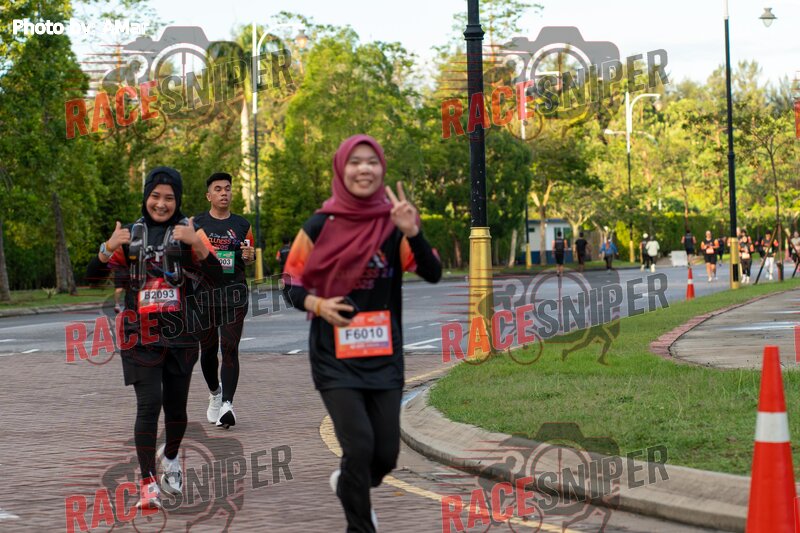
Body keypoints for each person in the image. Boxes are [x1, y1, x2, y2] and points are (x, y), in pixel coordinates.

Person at [283, 135, 441, 532]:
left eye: (372, 161)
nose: (364, 169)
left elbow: (433, 272)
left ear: (381, 168)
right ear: (341, 169)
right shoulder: (319, 226)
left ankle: (350, 485)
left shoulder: (394, 225)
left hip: (384, 357)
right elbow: (290, 283)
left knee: (384, 456)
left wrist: (413, 232)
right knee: (358, 447)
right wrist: (318, 305)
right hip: (333, 357)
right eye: (355, 162)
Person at [86, 167, 223, 510]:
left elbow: (218, 277)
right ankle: (148, 485)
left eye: (169, 198)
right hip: (139, 335)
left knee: (176, 411)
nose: (161, 204)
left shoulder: (189, 232)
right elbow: (91, 278)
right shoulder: (130, 235)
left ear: (178, 200)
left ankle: (171, 459)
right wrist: (107, 248)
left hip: (181, 333)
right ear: (146, 197)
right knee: (149, 405)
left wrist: (197, 244)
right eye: (155, 196)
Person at [193, 172, 255, 428]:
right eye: (218, 189)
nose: (224, 193)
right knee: (208, 351)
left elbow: (249, 256)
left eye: (227, 188)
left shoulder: (242, 225)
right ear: (209, 195)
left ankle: (227, 405)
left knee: (229, 347)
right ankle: (215, 393)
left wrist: (250, 256)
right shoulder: (196, 224)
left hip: (234, 294)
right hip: (204, 296)